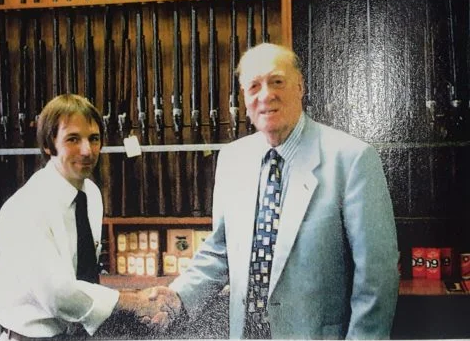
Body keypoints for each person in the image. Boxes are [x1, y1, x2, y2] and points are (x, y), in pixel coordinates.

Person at [148, 43, 400, 339]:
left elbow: (377, 276)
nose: (265, 95)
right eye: (253, 86)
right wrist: (176, 298)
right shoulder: (231, 159)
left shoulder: (352, 159)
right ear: (244, 98)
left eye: (277, 81)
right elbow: (221, 251)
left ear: (300, 87)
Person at [0, 94, 166, 340]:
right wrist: (133, 301)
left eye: (94, 139)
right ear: (49, 145)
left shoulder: (91, 195)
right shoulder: (25, 208)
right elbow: (57, 295)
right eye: (73, 139)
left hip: (76, 333)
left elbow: (83, 279)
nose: (87, 150)